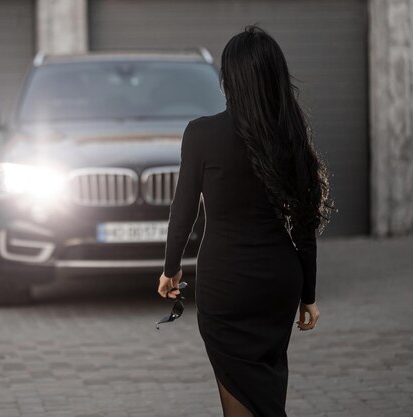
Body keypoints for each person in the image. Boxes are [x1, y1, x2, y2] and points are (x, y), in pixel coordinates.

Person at [157, 25, 335, 417]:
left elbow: (182, 210)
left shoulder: (201, 134)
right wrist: (308, 294)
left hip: (227, 287)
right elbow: (304, 226)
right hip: (278, 285)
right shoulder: (289, 135)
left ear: (228, 79)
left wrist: (170, 270)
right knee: (267, 387)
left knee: (241, 397)